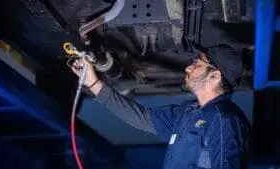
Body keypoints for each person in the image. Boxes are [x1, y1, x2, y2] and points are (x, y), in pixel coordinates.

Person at [72, 44, 251, 169]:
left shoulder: (224, 119)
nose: (189, 67)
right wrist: (93, 83)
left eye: (197, 64)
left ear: (214, 76)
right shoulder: (187, 114)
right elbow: (140, 117)